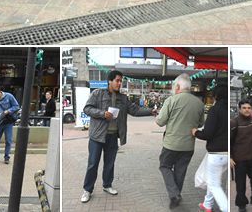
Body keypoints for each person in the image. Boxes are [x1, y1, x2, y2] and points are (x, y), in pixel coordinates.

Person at [80, 70, 155, 203]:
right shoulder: (98, 93)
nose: (120, 83)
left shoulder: (123, 98)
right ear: (110, 81)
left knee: (109, 163)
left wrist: (151, 111)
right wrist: (102, 113)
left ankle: (107, 185)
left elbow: (135, 110)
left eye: (121, 81)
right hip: (97, 136)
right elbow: (87, 109)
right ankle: (87, 190)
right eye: (117, 80)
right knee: (93, 164)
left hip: (112, 136)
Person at [156, 73, 205, 209]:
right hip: (189, 145)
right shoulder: (199, 103)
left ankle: (174, 194)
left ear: (177, 86)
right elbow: (201, 123)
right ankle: (176, 194)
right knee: (180, 170)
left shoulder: (171, 100)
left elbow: (160, 121)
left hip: (171, 143)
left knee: (164, 166)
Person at [192, 83, 228, 212]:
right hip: (227, 154)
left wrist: (196, 132)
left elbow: (207, 133)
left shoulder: (215, 110)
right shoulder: (229, 110)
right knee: (214, 180)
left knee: (214, 184)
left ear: (216, 96)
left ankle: (226, 208)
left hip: (216, 154)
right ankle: (207, 205)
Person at [231, 100, 252, 212]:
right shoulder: (234, 122)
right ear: (240, 109)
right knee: (241, 184)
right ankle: (241, 205)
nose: (247, 110)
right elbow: (229, 141)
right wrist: (230, 157)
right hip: (239, 159)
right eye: (244, 108)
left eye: (249, 108)